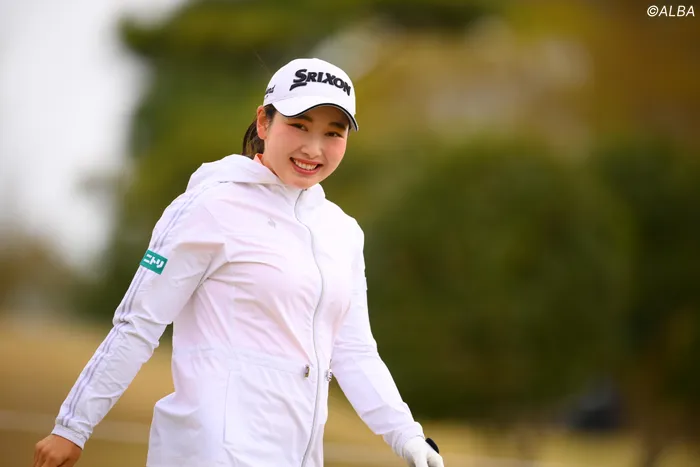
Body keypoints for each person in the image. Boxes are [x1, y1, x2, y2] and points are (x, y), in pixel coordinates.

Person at [33, 57, 445, 467]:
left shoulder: (342, 231)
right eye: (299, 126)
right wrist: (72, 427)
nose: (313, 148)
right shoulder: (209, 205)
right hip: (210, 453)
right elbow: (138, 324)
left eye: (332, 133)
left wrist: (406, 436)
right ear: (264, 122)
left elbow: (353, 351)